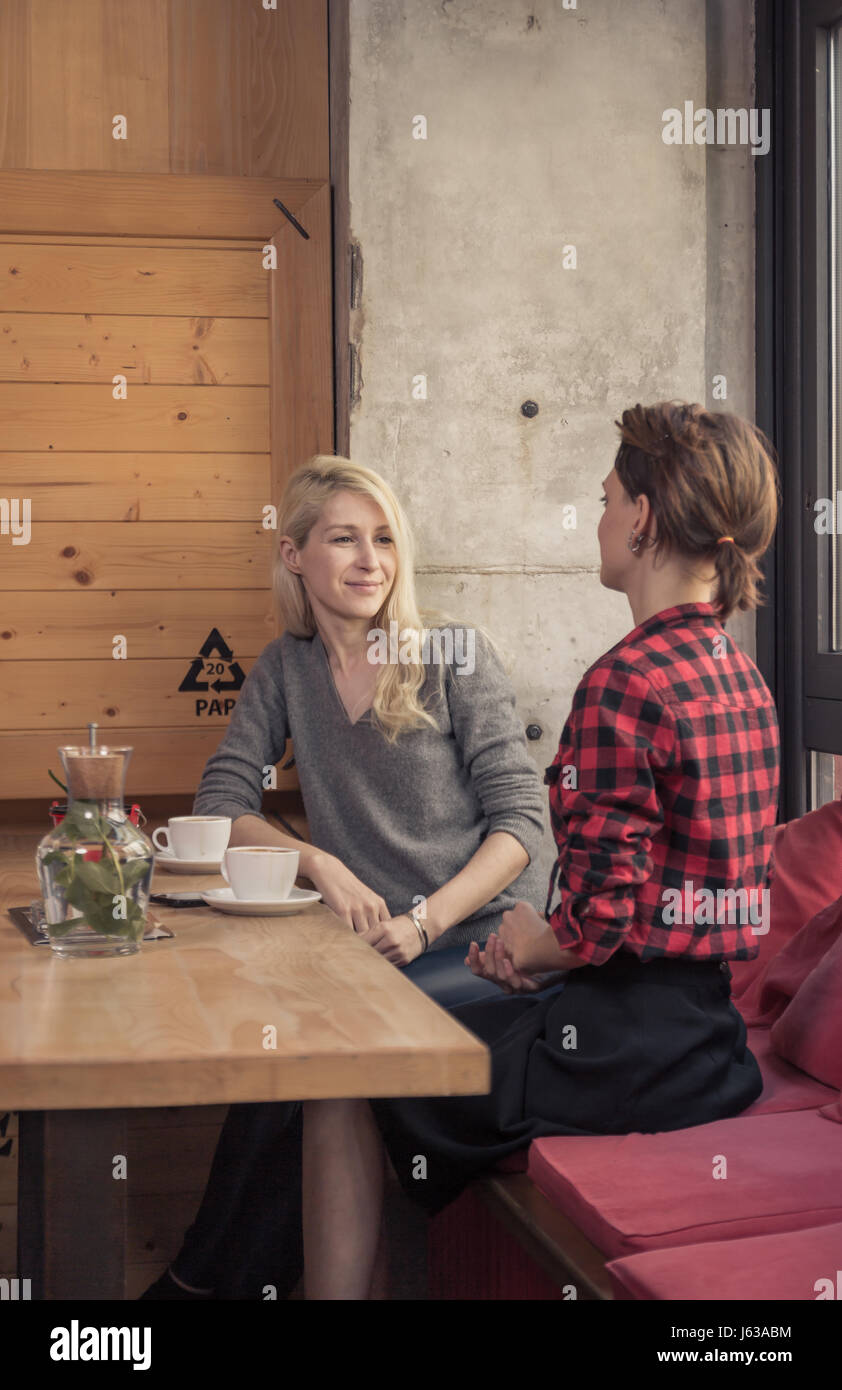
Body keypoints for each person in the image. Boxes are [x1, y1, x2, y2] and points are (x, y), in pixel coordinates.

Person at [300, 400, 782, 1300]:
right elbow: (674, 896)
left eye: (606, 499)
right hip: (713, 1051)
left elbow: (601, 923)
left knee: (347, 1068)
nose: (598, 519)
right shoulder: (741, 674)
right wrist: (553, 952)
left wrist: (534, 945)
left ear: (641, 517)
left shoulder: (624, 680)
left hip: (619, 1055)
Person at [141, 454, 554, 1300]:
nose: (371, 560)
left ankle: (196, 1288)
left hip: (477, 951)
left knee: (319, 1067)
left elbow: (522, 826)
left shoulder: (451, 655)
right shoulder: (287, 668)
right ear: (294, 555)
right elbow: (220, 800)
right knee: (290, 1062)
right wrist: (317, 860)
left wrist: (425, 922)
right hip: (367, 954)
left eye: (384, 539)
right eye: (343, 539)